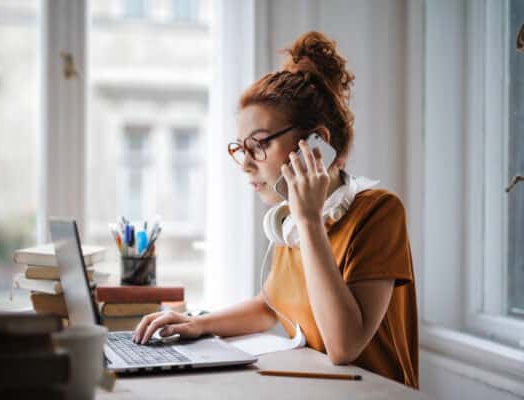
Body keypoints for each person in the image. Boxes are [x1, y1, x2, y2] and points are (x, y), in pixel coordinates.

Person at [133, 31, 419, 389]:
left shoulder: (377, 213)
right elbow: (271, 305)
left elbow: (344, 346)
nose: (246, 163)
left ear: (315, 145)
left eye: (259, 145)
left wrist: (310, 221)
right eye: (241, 148)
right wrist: (197, 323)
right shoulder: (290, 223)